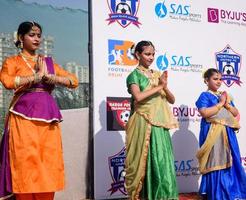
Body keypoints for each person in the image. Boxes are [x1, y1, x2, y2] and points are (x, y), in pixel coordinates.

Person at [0, 21, 78, 200]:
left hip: (48, 117)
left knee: (48, 162)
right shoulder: (13, 61)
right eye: (32, 35)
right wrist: (34, 77)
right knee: (25, 161)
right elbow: (7, 81)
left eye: (38, 35)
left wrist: (52, 77)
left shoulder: (48, 63)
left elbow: (73, 80)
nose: (37, 39)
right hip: (22, 118)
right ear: (21, 38)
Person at [125, 40, 179, 200]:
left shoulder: (157, 75)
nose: (151, 57)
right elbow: (138, 97)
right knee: (148, 160)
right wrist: (159, 87)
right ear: (138, 55)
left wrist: (164, 86)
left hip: (160, 124)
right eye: (147, 54)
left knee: (163, 161)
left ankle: (165, 196)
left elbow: (172, 100)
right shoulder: (133, 76)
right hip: (144, 123)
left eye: (153, 54)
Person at [195, 68, 246, 200]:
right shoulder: (204, 96)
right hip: (212, 133)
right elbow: (205, 113)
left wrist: (227, 104)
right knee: (216, 161)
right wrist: (221, 104)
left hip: (228, 133)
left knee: (230, 160)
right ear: (206, 80)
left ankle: (230, 192)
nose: (219, 82)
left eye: (220, 79)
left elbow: (235, 113)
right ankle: (216, 194)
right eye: (215, 79)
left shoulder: (224, 95)